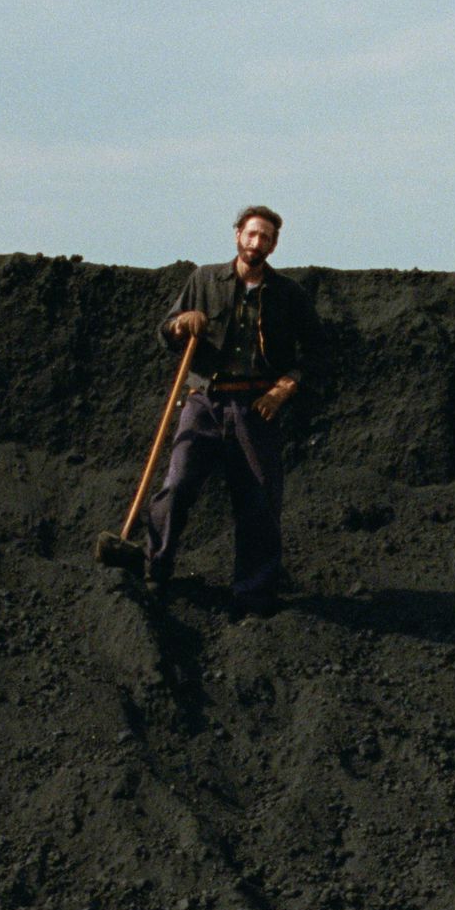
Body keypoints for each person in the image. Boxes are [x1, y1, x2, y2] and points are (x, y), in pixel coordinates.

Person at [143, 205, 322, 614]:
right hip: (204, 400)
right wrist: (180, 323)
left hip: (256, 406)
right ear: (237, 234)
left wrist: (284, 388)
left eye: (266, 237)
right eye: (251, 234)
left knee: (259, 499)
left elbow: (316, 351)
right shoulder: (204, 280)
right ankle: (156, 571)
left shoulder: (288, 295)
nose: (257, 243)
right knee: (178, 484)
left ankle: (254, 595)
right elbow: (165, 332)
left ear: (275, 244)